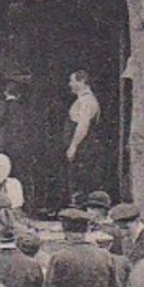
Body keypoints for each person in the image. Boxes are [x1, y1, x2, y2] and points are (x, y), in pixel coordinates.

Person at [64, 70, 104, 205]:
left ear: (81, 82)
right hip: (82, 148)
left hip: (84, 148)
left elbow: (83, 125)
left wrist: (73, 146)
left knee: (81, 181)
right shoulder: (82, 100)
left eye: (72, 81)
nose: (70, 84)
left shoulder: (87, 101)